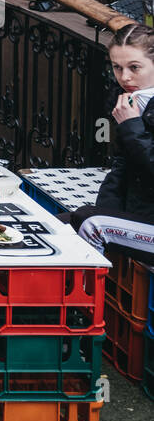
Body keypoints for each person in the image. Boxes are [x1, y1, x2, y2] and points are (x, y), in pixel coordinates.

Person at [70, 22, 154, 256]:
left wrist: (131, 126)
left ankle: (84, 293)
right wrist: (105, 212)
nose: (124, 77)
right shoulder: (128, 100)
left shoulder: (131, 114)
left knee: (91, 224)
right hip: (139, 217)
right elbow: (121, 168)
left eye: (134, 67)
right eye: (117, 67)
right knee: (60, 225)